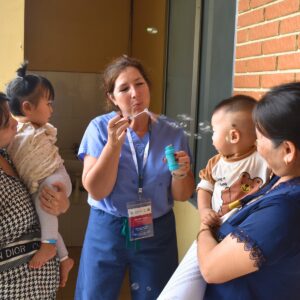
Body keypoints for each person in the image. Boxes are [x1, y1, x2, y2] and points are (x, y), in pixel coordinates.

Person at [75, 55, 195, 300]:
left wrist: (181, 173)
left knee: (157, 294)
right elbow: (97, 191)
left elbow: (182, 195)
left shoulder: (171, 131)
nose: (134, 93)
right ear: (112, 97)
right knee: (95, 294)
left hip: (157, 229)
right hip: (108, 226)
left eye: (139, 84)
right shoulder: (99, 129)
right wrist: (113, 146)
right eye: (124, 88)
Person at [197, 82, 300, 300]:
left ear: (288, 150)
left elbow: (210, 269)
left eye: (260, 137)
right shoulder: (282, 178)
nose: (256, 145)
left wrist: (204, 228)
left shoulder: (284, 211)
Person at [5, 63, 74, 287]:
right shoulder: (15, 138)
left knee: (45, 208)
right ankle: (63, 257)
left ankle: (49, 244)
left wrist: (63, 204)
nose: (52, 109)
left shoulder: (31, 130)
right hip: (46, 183)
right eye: (49, 103)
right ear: (27, 107)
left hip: (54, 177)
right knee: (43, 217)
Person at [197, 95, 271, 226]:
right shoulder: (215, 163)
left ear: (233, 136)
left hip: (248, 227)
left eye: (214, 131)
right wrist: (204, 210)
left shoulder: (265, 158)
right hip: (217, 225)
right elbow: (204, 188)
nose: (212, 137)